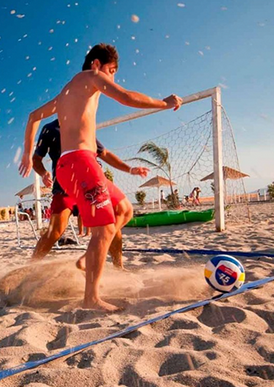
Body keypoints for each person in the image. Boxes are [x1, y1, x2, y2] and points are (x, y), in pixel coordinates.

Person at [20, 43, 182, 312]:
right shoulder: (91, 77)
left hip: (74, 165)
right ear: (96, 64)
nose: (112, 78)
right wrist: (164, 104)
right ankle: (91, 298)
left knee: (124, 210)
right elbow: (127, 97)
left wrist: (26, 154)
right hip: (79, 162)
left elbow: (32, 116)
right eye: (112, 70)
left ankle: (88, 259)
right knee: (103, 229)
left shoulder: (66, 93)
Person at [31, 117, 150, 267]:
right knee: (55, 231)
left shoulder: (83, 126)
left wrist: (130, 169)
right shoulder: (50, 129)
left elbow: (104, 153)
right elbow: (36, 159)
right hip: (65, 186)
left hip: (92, 184)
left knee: (110, 220)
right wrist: (43, 173)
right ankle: (29, 267)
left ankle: (118, 266)